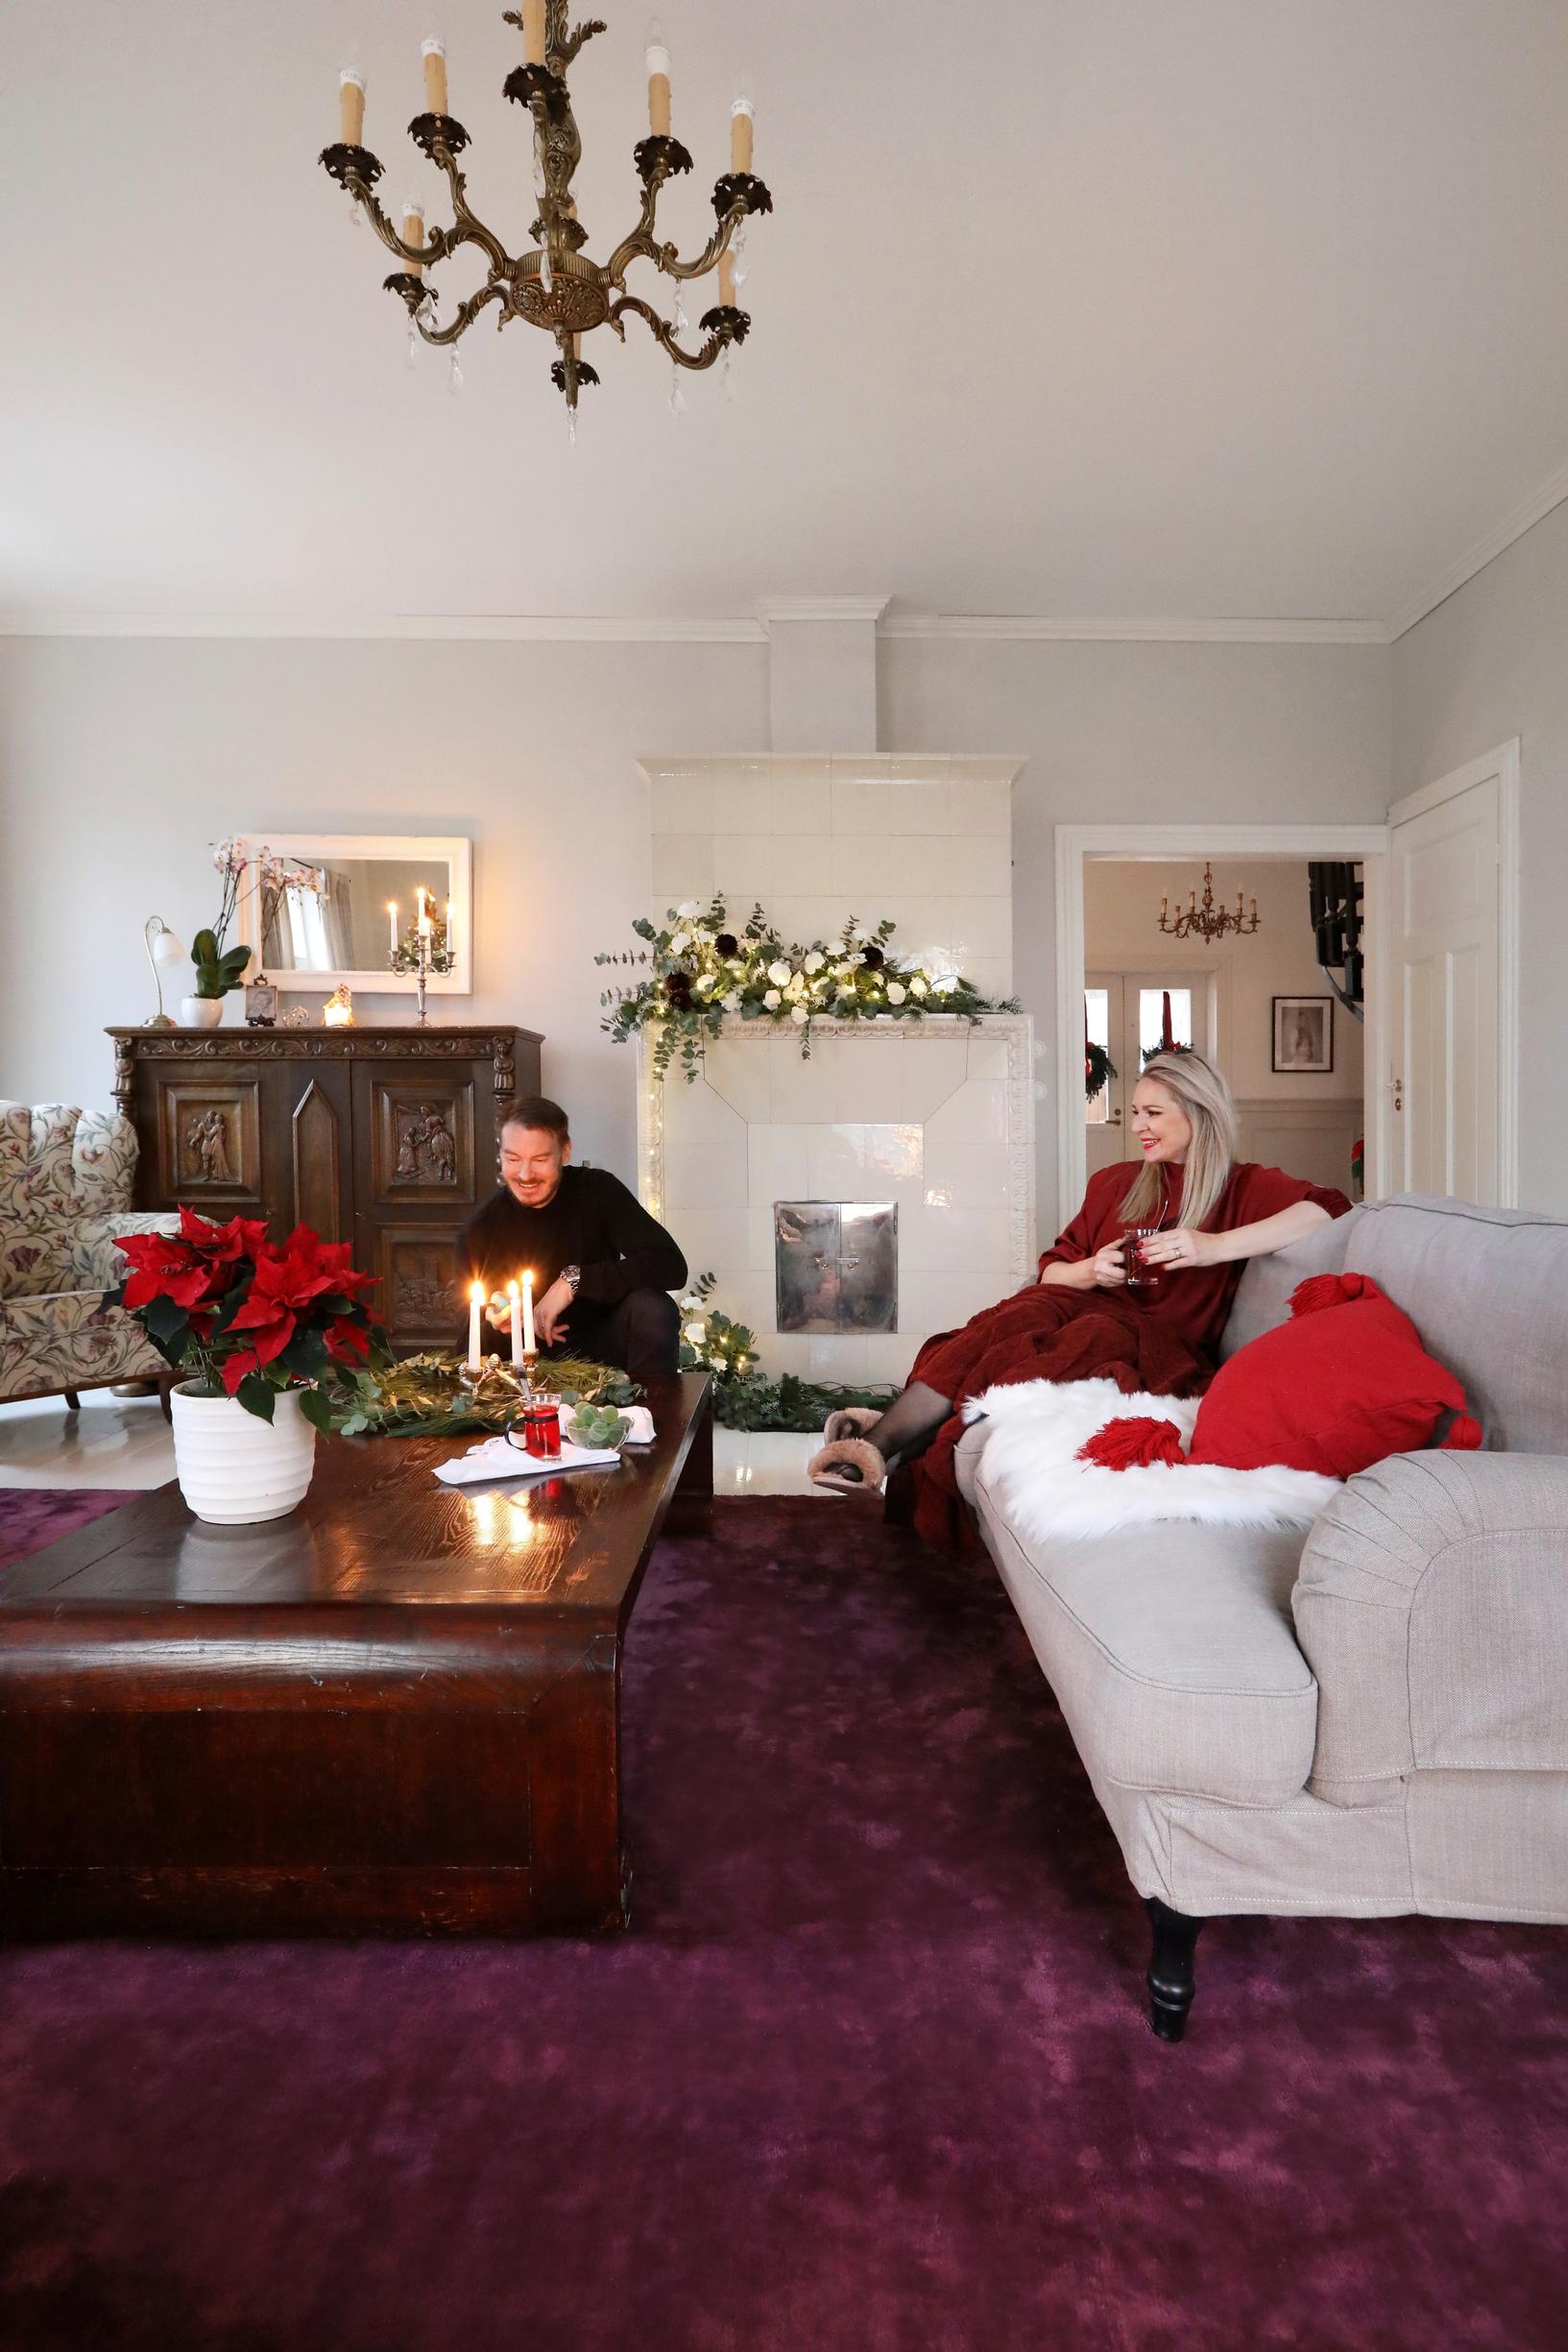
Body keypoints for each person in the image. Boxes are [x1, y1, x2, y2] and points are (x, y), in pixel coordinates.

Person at [808, 1051, 1352, 1546]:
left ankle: (880, 1441)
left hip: (1159, 1346)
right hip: (1082, 1314)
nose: (1137, 1125)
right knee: (1019, 1318)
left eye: (1153, 1113)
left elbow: (1330, 1206)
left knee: (1056, 1325)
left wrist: (1213, 1246)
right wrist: (1093, 1269)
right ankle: (877, 1446)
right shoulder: (1115, 1182)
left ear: (1199, 1112)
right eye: (1135, 1111)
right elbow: (1050, 1274)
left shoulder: (1244, 1186)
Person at [457, 1094, 688, 1379]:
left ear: (565, 1152)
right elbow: (472, 1324)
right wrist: (494, 1315)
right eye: (513, 1159)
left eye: (540, 1159)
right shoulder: (480, 1228)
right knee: (482, 1333)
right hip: (527, 1364)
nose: (525, 1174)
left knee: (653, 1308)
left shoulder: (598, 1191)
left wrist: (573, 1281)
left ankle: (649, 1419)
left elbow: (670, 1266)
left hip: (606, 1345)